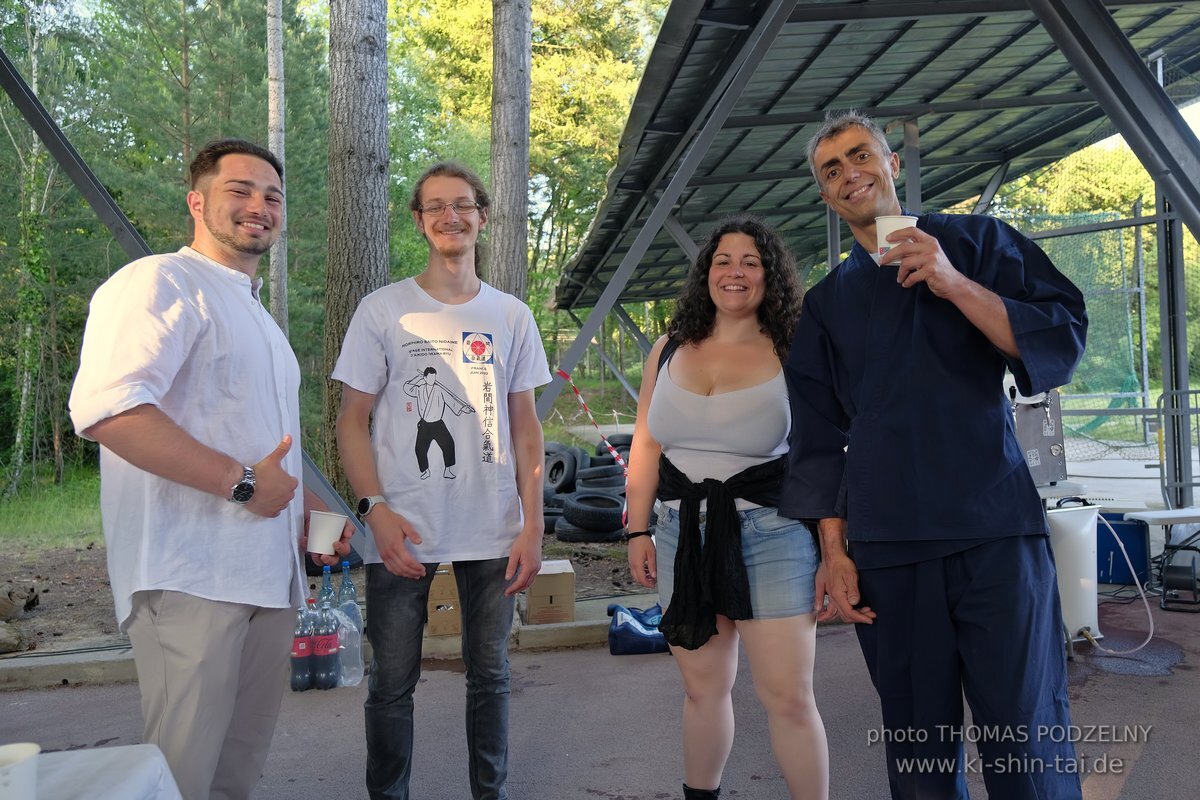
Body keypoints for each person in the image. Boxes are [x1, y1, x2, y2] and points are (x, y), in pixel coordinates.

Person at [783, 110, 1088, 800]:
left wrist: (952, 281)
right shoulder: (829, 304)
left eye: (860, 156)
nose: (849, 174)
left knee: (1026, 734)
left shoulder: (977, 243)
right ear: (827, 196)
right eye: (831, 170)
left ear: (891, 164)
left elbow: (1060, 336)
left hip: (995, 530)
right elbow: (817, 436)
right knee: (919, 749)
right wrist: (835, 552)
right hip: (890, 546)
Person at [68, 138, 350, 800]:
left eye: (273, 196)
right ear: (197, 202)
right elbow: (107, 409)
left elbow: (259, 441)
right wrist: (243, 484)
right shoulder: (160, 281)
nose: (259, 206)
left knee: (233, 774)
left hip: (267, 582)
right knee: (179, 779)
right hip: (190, 576)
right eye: (240, 191)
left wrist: (312, 511)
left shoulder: (254, 315)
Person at [333, 161, 550, 800]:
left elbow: (527, 428)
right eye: (435, 206)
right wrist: (375, 510)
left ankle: (492, 793)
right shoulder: (383, 311)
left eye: (462, 205)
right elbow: (352, 420)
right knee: (392, 682)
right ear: (419, 220)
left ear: (483, 216)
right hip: (404, 525)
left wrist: (533, 522)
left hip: (493, 528)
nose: (450, 216)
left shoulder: (510, 316)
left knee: (491, 674)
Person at [626, 215, 828, 800]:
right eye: (722, 261)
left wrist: (833, 547)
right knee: (702, 690)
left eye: (749, 262)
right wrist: (638, 529)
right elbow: (646, 441)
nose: (734, 273)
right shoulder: (667, 349)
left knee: (788, 698)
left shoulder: (795, 348)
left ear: (770, 276)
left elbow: (825, 451)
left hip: (772, 533)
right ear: (705, 273)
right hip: (678, 532)